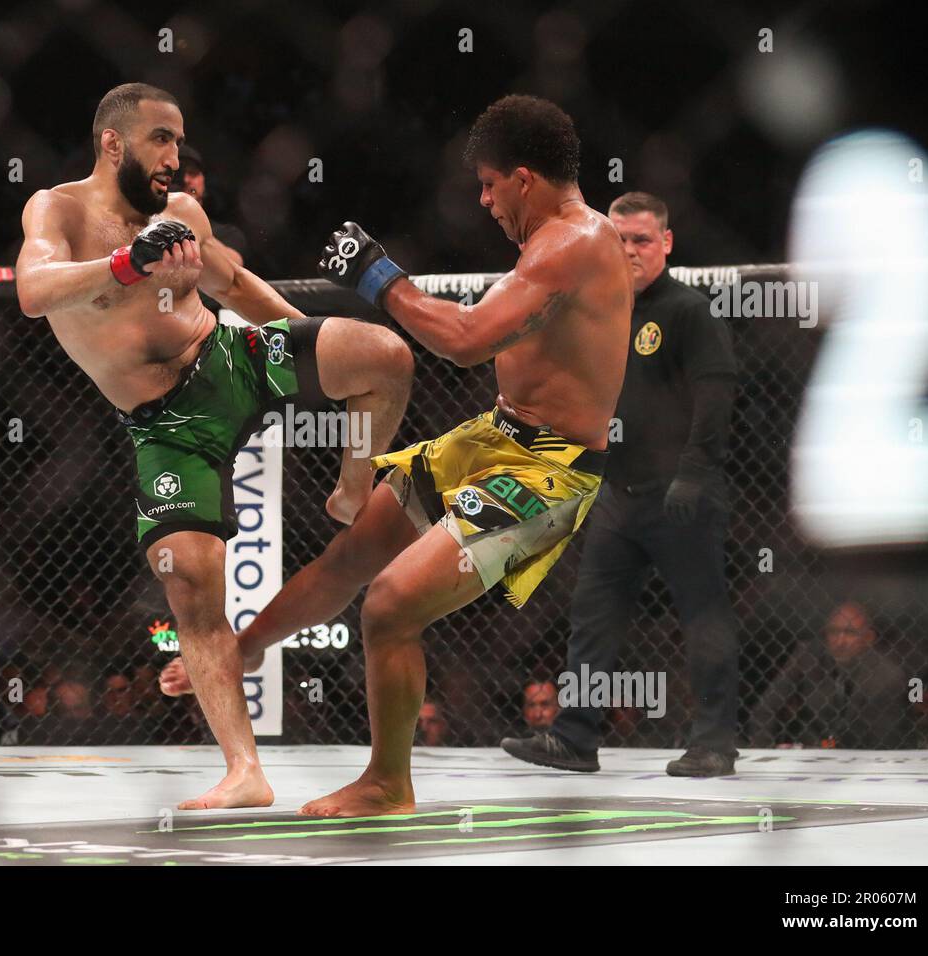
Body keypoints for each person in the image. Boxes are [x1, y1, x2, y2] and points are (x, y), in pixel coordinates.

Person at [163, 94, 631, 816]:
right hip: (493, 438)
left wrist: (381, 277)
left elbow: (468, 340)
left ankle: (388, 782)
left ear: (524, 178)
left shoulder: (574, 244)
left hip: (548, 472)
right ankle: (251, 645)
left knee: (390, 605)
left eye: (488, 183)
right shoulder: (551, 244)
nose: (482, 200)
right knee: (351, 556)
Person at [15, 82, 414, 810]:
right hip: (166, 423)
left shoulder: (183, 214)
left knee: (385, 356)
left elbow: (234, 283)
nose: (174, 156)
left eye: (177, 139)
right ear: (112, 143)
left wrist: (314, 347)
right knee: (195, 588)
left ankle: (353, 490)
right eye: (160, 139)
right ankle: (244, 772)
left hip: (231, 356)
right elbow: (33, 289)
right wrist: (125, 266)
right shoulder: (58, 209)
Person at [502, 191, 740, 776]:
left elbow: (716, 394)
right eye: (620, 239)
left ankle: (714, 743)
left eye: (641, 239)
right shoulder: (599, 309)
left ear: (666, 243)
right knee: (592, 614)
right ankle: (575, 737)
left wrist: (694, 472)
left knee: (703, 616)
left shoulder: (688, 310)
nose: (630, 250)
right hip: (617, 490)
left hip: (681, 493)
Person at [749, 601, 914, 749]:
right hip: (810, 749)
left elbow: (884, 738)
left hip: (861, 754)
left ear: (868, 637)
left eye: (850, 633)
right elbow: (765, 708)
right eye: (834, 632)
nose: (840, 641)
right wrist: (766, 750)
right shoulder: (807, 656)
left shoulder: (887, 674)